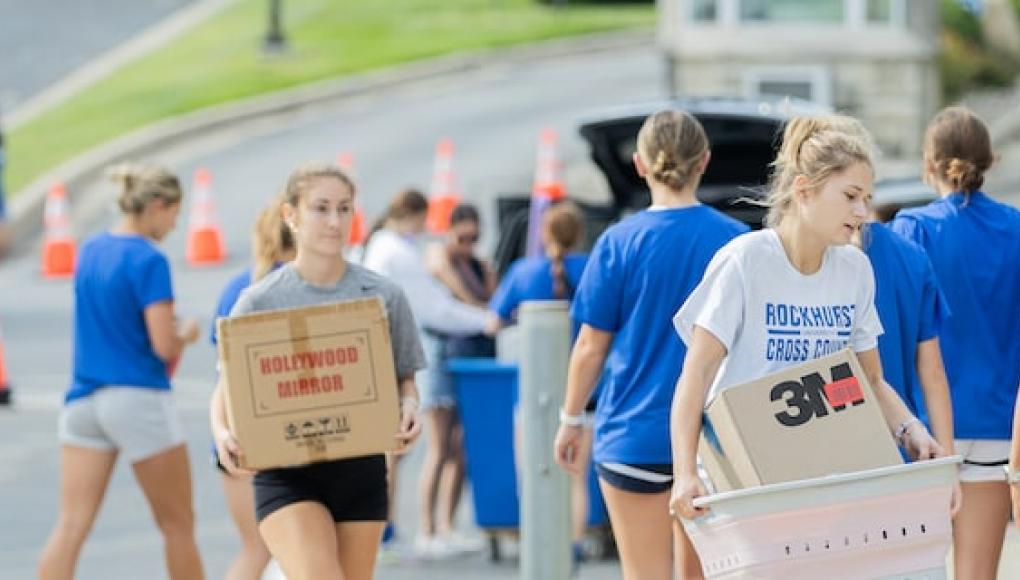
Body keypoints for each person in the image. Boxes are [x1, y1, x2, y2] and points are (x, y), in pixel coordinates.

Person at [669, 115, 948, 571]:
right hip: (747, 491)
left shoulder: (856, 270)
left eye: (868, 199)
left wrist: (911, 431)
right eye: (851, 197)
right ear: (804, 191)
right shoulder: (745, 262)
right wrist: (683, 474)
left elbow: (871, 380)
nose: (863, 212)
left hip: (821, 488)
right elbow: (694, 375)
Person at [553, 109, 749, 580]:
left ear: (640, 164)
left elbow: (590, 347)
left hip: (632, 434)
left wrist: (571, 418)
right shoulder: (738, 243)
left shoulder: (619, 242)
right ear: (705, 160)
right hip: (713, 440)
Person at [210, 162, 425, 580]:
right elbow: (226, 387)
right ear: (291, 216)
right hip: (286, 475)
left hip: (360, 470)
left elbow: (405, 377)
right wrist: (222, 433)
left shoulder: (383, 296)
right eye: (321, 208)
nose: (334, 221)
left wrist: (410, 407)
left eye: (344, 209)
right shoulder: (258, 302)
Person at [38, 164, 204, 580]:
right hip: (138, 397)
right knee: (178, 525)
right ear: (155, 206)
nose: (175, 224)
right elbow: (162, 344)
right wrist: (186, 332)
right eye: (174, 213)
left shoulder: (90, 249)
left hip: (83, 399)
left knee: (71, 525)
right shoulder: (150, 259)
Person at [891, 106, 1020, 580]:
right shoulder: (1018, 228)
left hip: (923, 427)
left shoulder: (911, 229)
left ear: (929, 164)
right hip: (998, 426)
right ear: (989, 161)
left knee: (913, 570)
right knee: (977, 574)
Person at [362, 189, 492, 558]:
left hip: (395, 356)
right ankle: (399, 533)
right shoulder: (398, 254)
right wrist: (484, 320)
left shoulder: (385, 248)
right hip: (404, 358)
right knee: (406, 450)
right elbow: (433, 310)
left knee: (402, 451)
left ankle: (397, 531)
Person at [491, 202, 593, 562]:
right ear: (579, 234)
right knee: (577, 479)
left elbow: (493, 321)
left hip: (534, 391)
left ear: (543, 233)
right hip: (584, 390)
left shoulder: (522, 272)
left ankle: (535, 545)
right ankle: (574, 547)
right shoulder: (592, 269)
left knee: (532, 472)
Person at [209, 198, 296, 580]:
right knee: (278, 551)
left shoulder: (237, 286)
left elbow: (221, 362)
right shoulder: (294, 286)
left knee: (257, 549)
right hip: (281, 435)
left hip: (234, 433)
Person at [858, 221, 956, 461]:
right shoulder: (910, 253)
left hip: (840, 446)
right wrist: (947, 460)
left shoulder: (822, 264)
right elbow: (932, 373)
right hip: (904, 443)